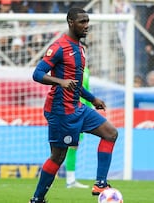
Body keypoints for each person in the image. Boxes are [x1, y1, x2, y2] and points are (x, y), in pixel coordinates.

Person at [29, 7, 118, 203]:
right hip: (60, 111)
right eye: (82, 22)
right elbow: (37, 74)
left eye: (87, 21)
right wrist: (60, 82)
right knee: (58, 156)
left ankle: (100, 184)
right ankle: (37, 199)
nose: (86, 26)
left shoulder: (80, 48)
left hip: (77, 107)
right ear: (71, 22)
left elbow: (75, 83)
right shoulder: (59, 47)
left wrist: (92, 98)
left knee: (111, 133)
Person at [65, 41, 91, 189]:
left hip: (81, 112)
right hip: (70, 110)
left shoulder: (86, 70)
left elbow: (88, 90)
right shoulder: (70, 69)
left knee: (73, 145)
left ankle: (71, 180)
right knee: (66, 146)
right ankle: (69, 180)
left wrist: (90, 111)